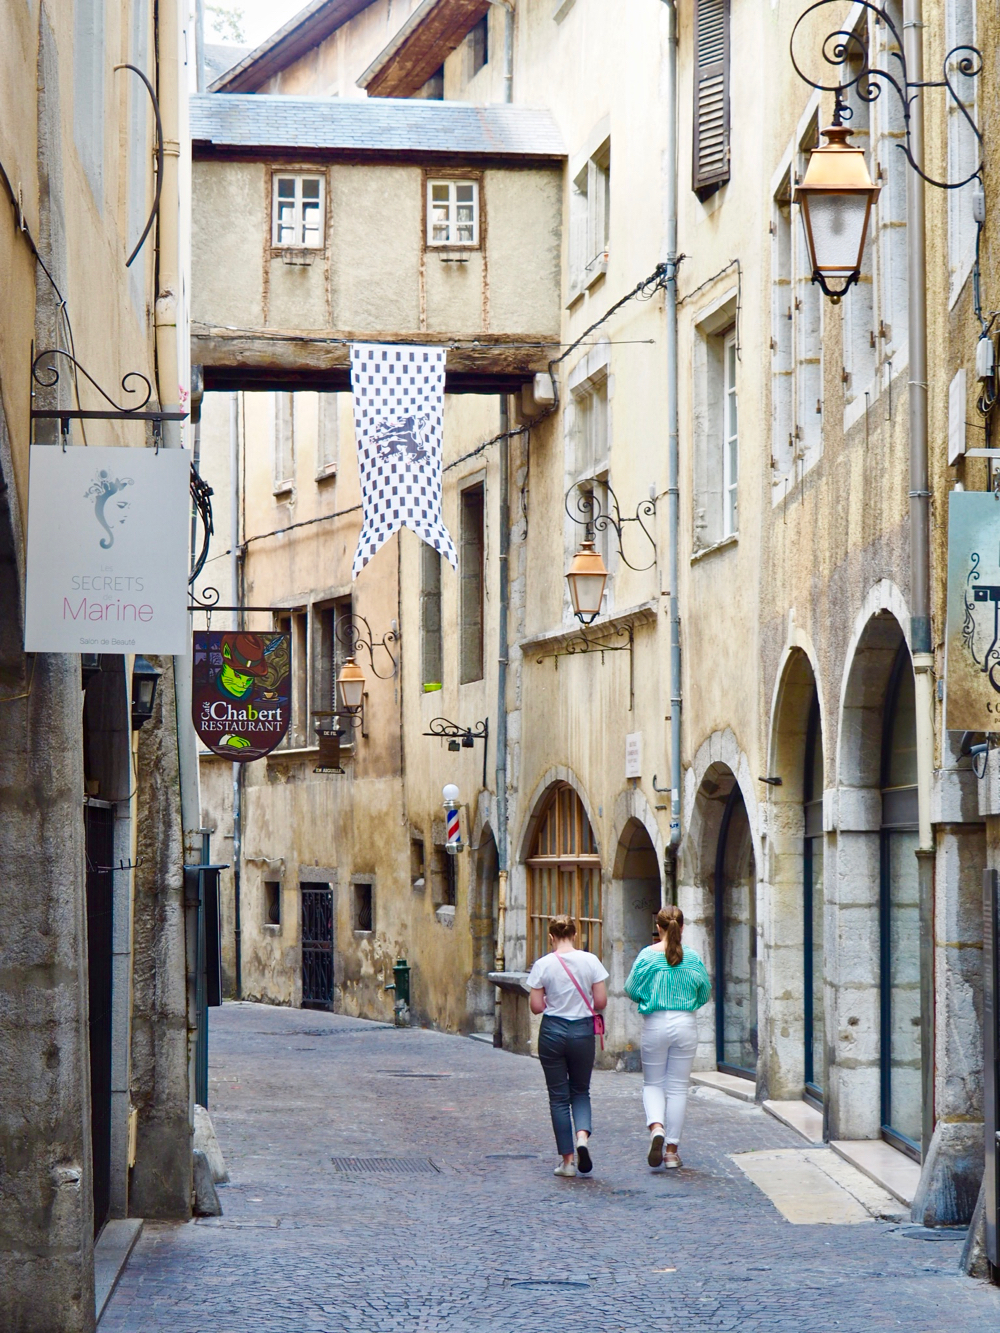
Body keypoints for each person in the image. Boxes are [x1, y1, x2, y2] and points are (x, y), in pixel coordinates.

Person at [624, 905, 711, 1170]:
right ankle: (671, 1151)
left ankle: (656, 1127)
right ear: (682, 928)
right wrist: (688, 1003)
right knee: (677, 1087)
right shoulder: (693, 958)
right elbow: (704, 992)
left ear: (658, 927)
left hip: (656, 1021)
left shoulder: (647, 957)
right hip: (685, 1022)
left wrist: (648, 999)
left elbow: (630, 988)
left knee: (653, 1083)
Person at [527, 915, 608, 1177]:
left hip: (552, 1031)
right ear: (575, 935)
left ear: (550, 937)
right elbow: (601, 1001)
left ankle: (567, 1162)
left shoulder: (542, 965)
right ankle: (582, 1137)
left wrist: (554, 999)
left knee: (558, 1098)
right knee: (581, 1091)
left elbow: (536, 1007)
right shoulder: (591, 961)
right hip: (582, 1031)